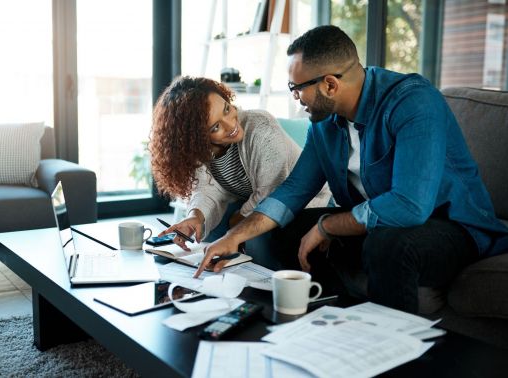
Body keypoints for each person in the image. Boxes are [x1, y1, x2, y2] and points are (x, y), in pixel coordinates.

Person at [195, 25, 508, 313]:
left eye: (296, 87)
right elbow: (293, 191)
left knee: (387, 244)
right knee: (275, 233)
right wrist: (235, 236)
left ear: (330, 84)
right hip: (380, 226)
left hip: (453, 228)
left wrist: (327, 226)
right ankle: (323, 318)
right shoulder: (324, 124)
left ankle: (389, 350)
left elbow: (410, 207)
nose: (294, 97)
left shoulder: (413, 102)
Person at [149, 76, 330, 270]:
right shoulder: (202, 150)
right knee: (209, 234)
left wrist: (236, 226)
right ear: (197, 139)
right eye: (216, 127)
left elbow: (272, 193)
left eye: (227, 109)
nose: (230, 125)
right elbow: (207, 190)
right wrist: (195, 217)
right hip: (252, 200)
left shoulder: (261, 127)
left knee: (250, 238)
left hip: (302, 200)